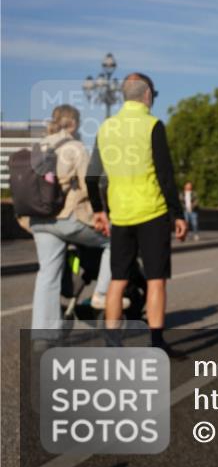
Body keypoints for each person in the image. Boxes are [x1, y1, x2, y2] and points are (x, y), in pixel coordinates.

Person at [87, 73, 188, 358]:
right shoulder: (152, 125)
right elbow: (165, 176)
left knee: (118, 280)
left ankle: (111, 343)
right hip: (152, 212)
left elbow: (91, 177)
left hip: (119, 214)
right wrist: (178, 214)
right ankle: (156, 343)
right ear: (147, 95)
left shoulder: (106, 127)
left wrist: (99, 210)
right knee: (156, 278)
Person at [21, 105, 118, 347]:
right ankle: (101, 295)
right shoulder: (74, 147)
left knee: (47, 275)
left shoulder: (38, 147)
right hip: (68, 219)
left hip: (40, 220)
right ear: (74, 123)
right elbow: (90, 185)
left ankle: (43, 337)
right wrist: (101, 213)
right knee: (115, 242)